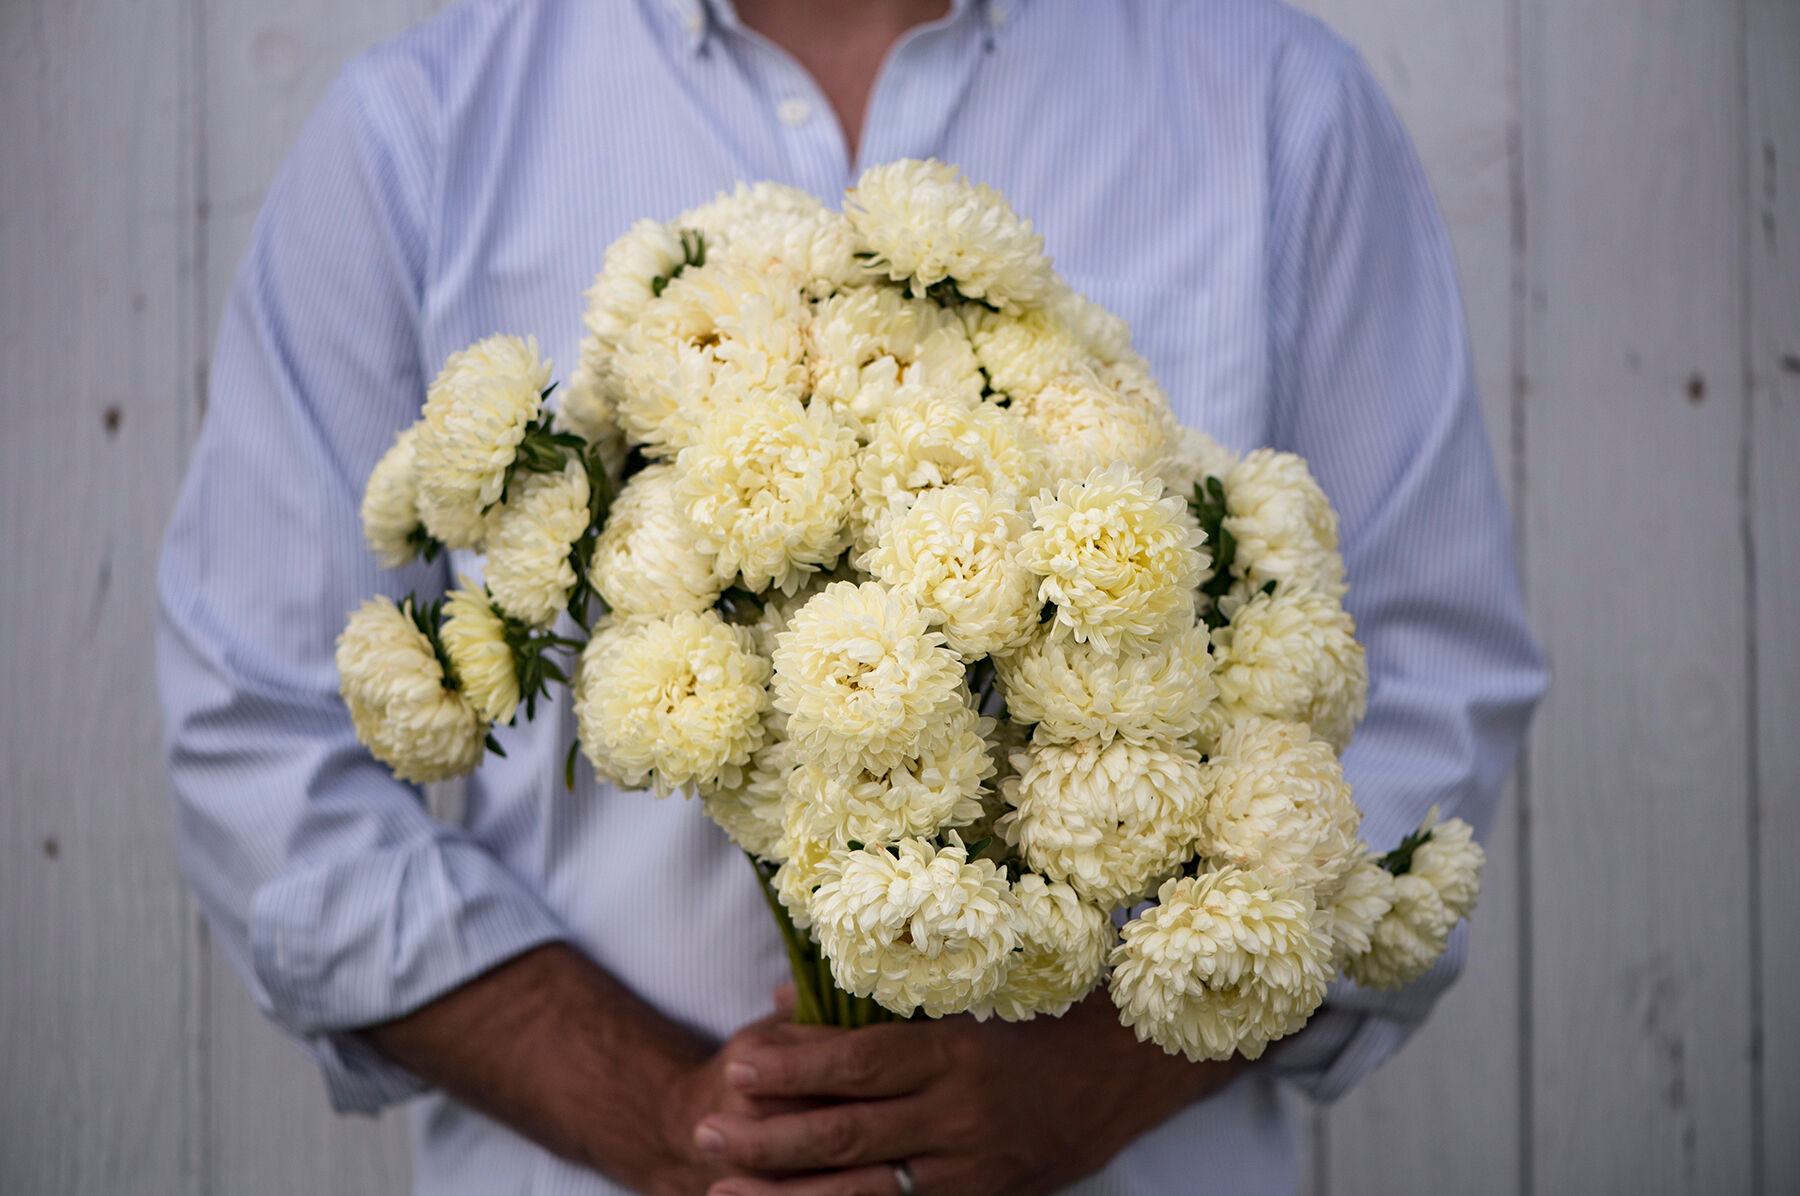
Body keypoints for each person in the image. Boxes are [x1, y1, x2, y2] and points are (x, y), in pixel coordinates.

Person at [156, 1, 1548, 1193]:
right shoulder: (423, 127)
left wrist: (1096, 1082)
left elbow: (1427, 679)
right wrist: (665, 1118)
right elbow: (261, 734)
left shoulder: (1275, 103)